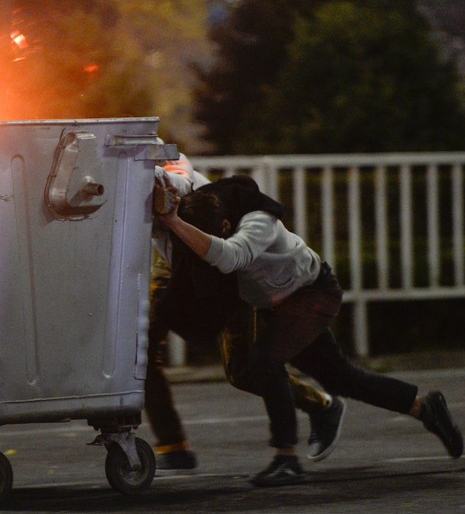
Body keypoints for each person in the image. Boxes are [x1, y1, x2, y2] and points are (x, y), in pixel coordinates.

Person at [156, 174, 464, 486]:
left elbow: (229, 257)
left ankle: (286, 457)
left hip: (311, 294)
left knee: (265, 362)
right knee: (340, 377)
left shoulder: (258, 221)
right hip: (276, 306)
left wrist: (175, 224)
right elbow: (175, 182)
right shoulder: (203, 209)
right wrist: (167, 206)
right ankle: (424, 408)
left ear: (224, 226)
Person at [148, 161, 345, 475]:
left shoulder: (150, 154)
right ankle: (172, 445)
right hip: (173, 258)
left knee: (242, 370)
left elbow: (179, 173)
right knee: (139, 350)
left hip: (207, 256)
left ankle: (320, 405)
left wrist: (169, 186)